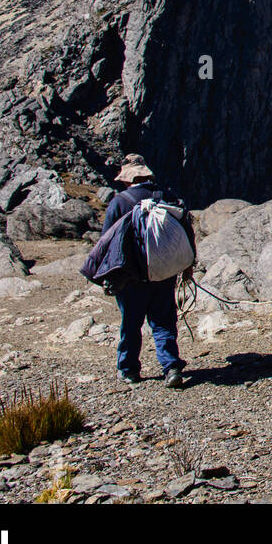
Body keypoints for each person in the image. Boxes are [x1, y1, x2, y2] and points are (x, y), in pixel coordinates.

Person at [102, 154, 191, 389]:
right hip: (163, 273)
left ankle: (129, 369)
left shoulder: (120, 202)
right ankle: (171, 366)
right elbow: (184, 231)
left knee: (131, 323)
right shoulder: (167, 197)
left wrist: (107, 276)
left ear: (127, 178)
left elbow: (106, 241)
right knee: (163, 322)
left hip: (131, 277)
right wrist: (187, 267)